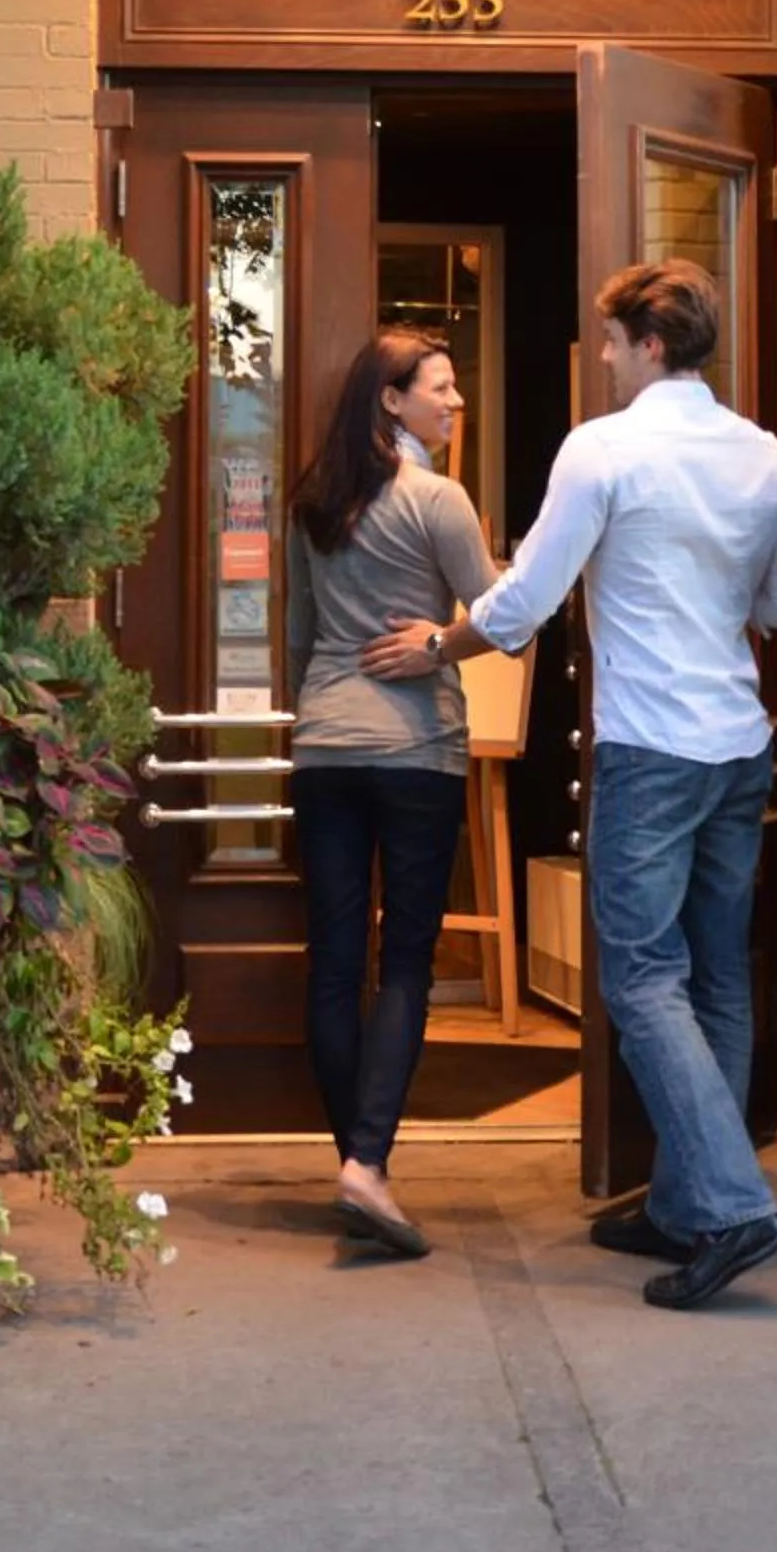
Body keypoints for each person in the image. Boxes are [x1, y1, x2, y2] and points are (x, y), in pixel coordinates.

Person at [362, 259, 777, 1310]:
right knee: (718, 975)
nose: (601, 358)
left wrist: (437, 642)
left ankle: (733, 1207)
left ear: (648, 343)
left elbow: (520, 606)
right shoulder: (765, 458)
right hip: (736, 745)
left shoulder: (601, 450)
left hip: (650, 749)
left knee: (643, 978)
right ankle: (689, 1202)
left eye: (610, 342)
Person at [286, 326, 498, 1258]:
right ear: (391, 399)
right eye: (440, 389)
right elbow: (507, 620)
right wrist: (440, 645)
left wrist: (324, 706)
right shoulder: (440, 501)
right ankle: (367, 1164)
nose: (455, 404)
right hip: (417, 752)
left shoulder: (314, 504)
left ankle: (358, 1167)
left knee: (335, 961)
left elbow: (296, 636)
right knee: (404, 959)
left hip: (326, 746)